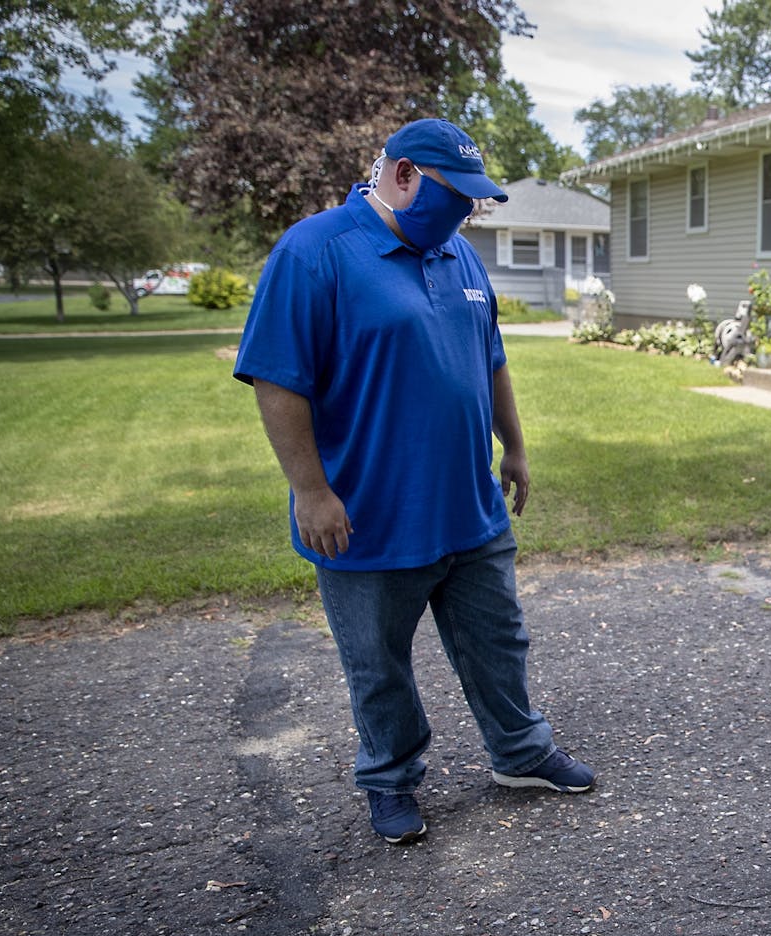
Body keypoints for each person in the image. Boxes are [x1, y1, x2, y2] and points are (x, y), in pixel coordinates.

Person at [233, 118, 595, 846]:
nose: (466, 213)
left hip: (469, 507)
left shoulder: (459, 256)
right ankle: (391, 779)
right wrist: (311, 490)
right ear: (402, 176)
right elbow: (277, 379)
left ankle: (520, 753)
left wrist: (515, 446)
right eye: (455, 196)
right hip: (368, 515)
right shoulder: (315, 252)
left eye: (474, 202)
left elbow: (489, 359)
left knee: (499, 642)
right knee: (378, 663)